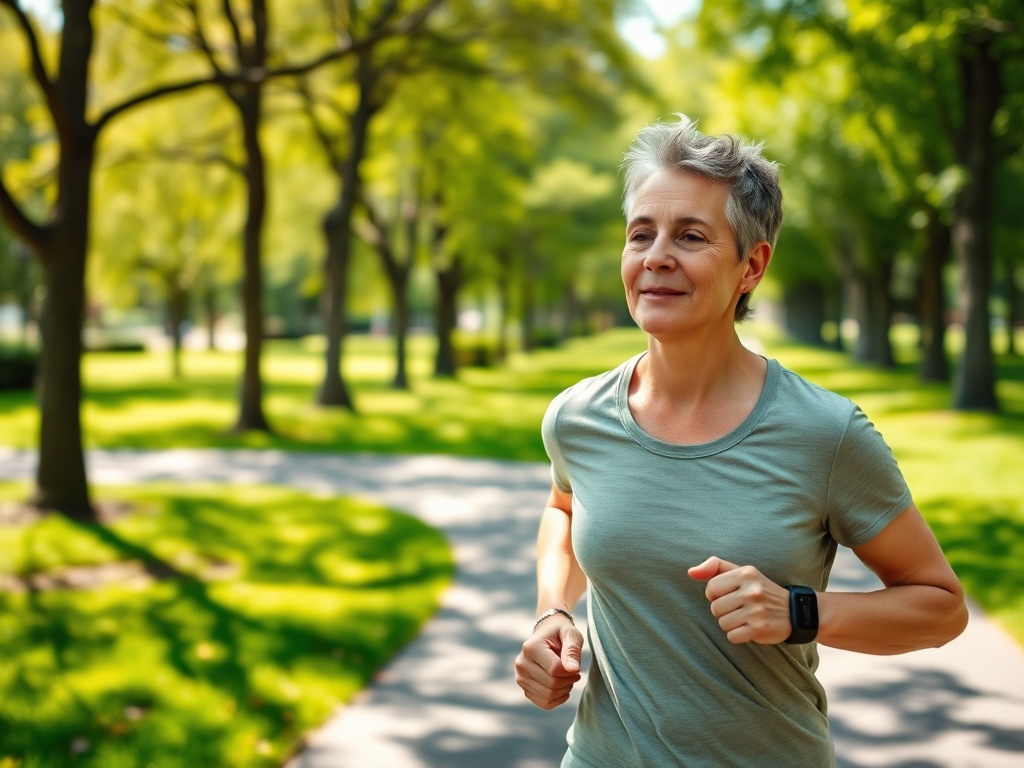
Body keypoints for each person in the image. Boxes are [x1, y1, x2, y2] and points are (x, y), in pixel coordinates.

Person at [513, 115, 968, 767]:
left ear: (751, 265)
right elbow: (564, 507)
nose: (656, 256)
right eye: (641, 233)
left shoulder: (825, 433)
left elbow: (941, 607)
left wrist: (799, 613)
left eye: (691, 235)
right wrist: (551, 613)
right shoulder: (576, 417)